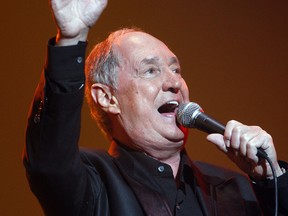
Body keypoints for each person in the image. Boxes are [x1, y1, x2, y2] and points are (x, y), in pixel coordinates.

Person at [23, 0, 288, 215]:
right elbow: (49, 161)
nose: (174, 82)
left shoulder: (240, 188)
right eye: (150, 70)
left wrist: (271, 179)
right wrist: (71, 41)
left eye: (176, 69)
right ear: (107, 98)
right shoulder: (94, 182)